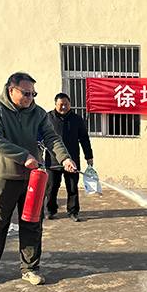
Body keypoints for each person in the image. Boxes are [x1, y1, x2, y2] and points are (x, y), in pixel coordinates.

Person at [0, 72, 76, 286]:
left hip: (33, 179)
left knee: (32, 224)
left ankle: (30, 268)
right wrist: (24, 156)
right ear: (11, 90)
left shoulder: (38, 113)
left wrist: (65, 158)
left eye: (33, 94)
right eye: (26, 93)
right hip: (4, 178)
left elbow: (51, 137)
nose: (31, 97)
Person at [45, 93, 93, 222]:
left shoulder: (77, 119)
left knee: (72, 188)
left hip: (72, 161)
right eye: (61, 104)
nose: (64, 107)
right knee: (51, 187)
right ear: (55, 104)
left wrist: (89, 156)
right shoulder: (47, 118)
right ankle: (51, 210)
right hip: (52, 161)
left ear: (70, 105)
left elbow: (84, 139)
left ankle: (73, 212)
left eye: (66, 104)